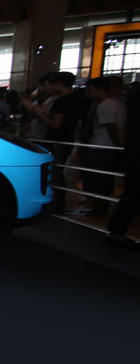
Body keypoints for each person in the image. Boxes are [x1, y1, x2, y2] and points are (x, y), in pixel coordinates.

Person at [22, 71, 88, 213]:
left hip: (56, 141)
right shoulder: (78, 100)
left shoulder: (61, 101)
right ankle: (57, 205)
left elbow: (55, 124)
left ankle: (55, 206)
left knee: (55, 174)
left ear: (58, 84)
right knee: (57, 172)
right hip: (68, 139)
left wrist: (37, 113)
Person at [72, 76, 126, 216]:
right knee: (104, 180)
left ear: (100, 89)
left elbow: (112, 128)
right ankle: (100, 206)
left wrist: (118, 145)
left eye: (90, 91)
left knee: (93, 178)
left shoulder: (104, 106)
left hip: (100, 147)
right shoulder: (117, 104)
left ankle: (91, 206)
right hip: (107, 148)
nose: (87, 94)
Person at [106, 81, 139, 244]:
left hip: (133, 150)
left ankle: (116, 232)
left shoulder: (134, 94)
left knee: (132, 194)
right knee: (133, 194)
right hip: (135, 151)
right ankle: (116, 232)